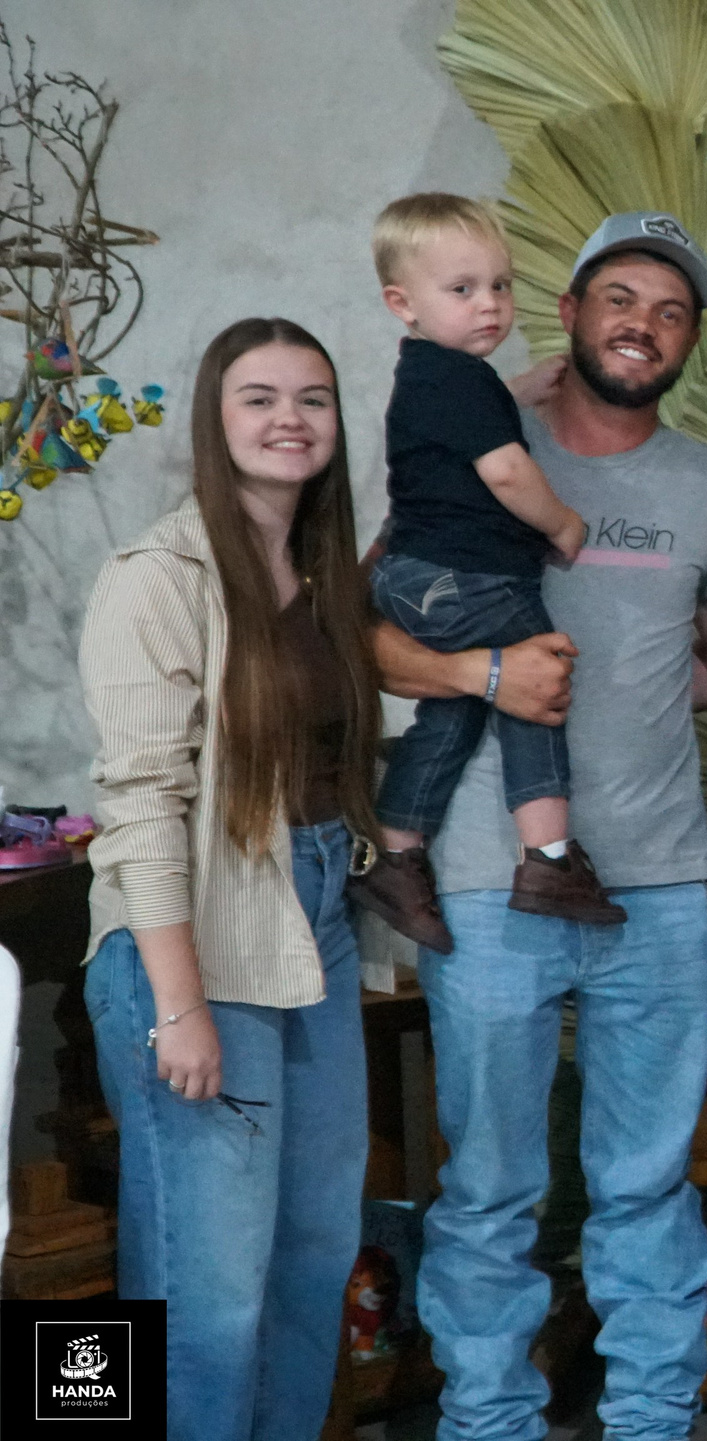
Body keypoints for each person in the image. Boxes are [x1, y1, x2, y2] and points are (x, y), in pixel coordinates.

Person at [370, 211, 707, 1441]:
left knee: (647, 1184)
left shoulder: (706, 485)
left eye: (671, 308)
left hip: (659, 880)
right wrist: (486, 681)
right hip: (489, 878)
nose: (642, 323)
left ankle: (649, 1422)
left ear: (688, 338)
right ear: (572, 313)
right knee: (487, 1189)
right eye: (619, 297)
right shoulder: (480, 435)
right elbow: (368, 631)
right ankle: (490, 1425)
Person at [80, 317, 382, 1441]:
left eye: (313, 397)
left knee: (312, 1260)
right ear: (215, 419)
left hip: (313, 925)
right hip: (193, 939)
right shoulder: (156, 574)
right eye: (259, 397)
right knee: (207, 1294)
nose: (289, 418)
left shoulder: (317, 573)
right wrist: (180, 1003)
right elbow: (141, 808)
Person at [349, 192, 620, 949]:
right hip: (467, 578)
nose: (490, 305)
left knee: (455, 708)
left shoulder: (439, 375)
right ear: (401, 303)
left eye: (500, 285)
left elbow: (465, 434)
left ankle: (396, 852)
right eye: (462, 290)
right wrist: (564, 522)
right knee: (536, 683)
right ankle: (549, 858)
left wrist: (519, 389)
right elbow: (504, 472)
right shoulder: (459, 382)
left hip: (420, 575)